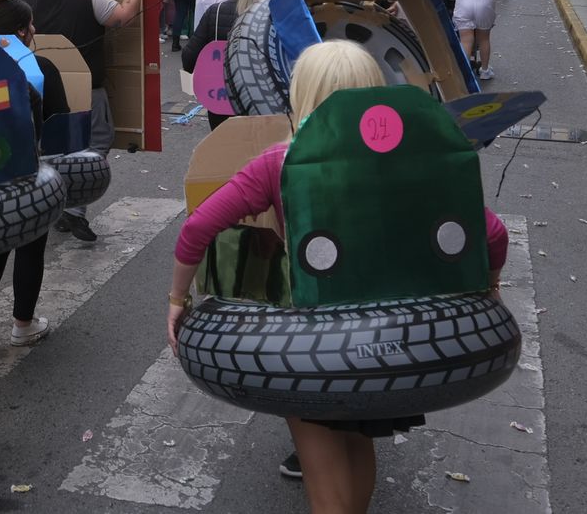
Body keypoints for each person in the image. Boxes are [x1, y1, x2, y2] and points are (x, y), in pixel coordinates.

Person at [167, 40, 509, 513]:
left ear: (302, 95)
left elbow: (198, 226)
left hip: (313, 341)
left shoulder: (280, 164)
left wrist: (177, 299)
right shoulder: (417, 164)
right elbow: (492, 232)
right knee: (358, 441)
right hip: (395, 337)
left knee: (322, 464)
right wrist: (490, 287)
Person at [20, 0, 143, 242]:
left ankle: (56, 202)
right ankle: (74, 208)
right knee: (97, 141)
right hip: (86, 86)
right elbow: (125, 16)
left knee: (48, 145)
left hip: (40, 89)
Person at [0, 0, 67, 349]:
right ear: (24, 32)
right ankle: (22, 324)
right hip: (28, 167)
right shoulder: (40, 68)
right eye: (31, 26)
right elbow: (60, 122)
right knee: (29, 243)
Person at [182, 0, 273, 130]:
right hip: (266, 101)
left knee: (225, 151)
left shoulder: (215, 13)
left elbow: (188, 57)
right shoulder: (278, 14)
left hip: (222, 100)